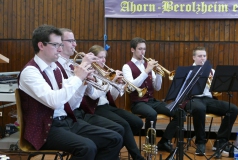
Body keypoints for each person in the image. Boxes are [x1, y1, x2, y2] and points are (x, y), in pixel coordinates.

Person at [18, 24, 122, 160]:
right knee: (87, 147)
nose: (60, 49)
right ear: (41, 45)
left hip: (66, 121)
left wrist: (83, 84)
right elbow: (54, 102)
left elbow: (71, 105)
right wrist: (78, 78)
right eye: (55, 45)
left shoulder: (55, 68)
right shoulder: (30, 72)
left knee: (115, 138)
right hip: (45, 129)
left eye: (60, 45)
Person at [56, 27, 125, 142]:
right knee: (113, 135)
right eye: (71, 41)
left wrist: (84, 82)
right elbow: (70, 100)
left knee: (119, 130)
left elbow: (82, 96)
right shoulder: (58, 67)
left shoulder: (72, 65)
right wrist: (82, 77)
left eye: (75, 41)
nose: (75, 44)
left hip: (80, 112)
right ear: (60, 44)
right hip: (73, 114)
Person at [83, 44, 145, 160]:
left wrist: (118, 85)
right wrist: (109, 81)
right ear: (93, 59)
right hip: (95, 109)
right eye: (100, 57)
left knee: (137, 122)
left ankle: (110, 152)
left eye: (104, 57)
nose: (103, 60)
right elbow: (94, 96)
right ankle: (137, 157)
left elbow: (112, 96)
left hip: (107, 106)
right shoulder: (88, 72)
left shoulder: (104, 72)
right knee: (124, 125)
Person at [122, 37, 178, 153]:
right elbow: (132, 87)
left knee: (178, 112)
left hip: (151, 100)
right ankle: (150, 144)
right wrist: (146, 71)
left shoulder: (148, 65)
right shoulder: (127, 67)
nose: (143, 52)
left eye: (144, 49)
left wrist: (158, 74)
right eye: (140, 49)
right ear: (132, 50)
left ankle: (164, 141)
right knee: (152, 114)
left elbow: (157, 87)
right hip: (137, 102)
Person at [185, 46, 238, 156]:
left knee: (233, 109)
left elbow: (215, 89)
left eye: (204, 56)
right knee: (200, 108)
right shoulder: (188, 71)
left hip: (208, 99)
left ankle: (220, 141)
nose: (203, 58)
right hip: (193, 99)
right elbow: (184, 89)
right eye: (199, 56)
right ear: (193, 58)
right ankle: (200, 142)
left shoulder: (211, 71)